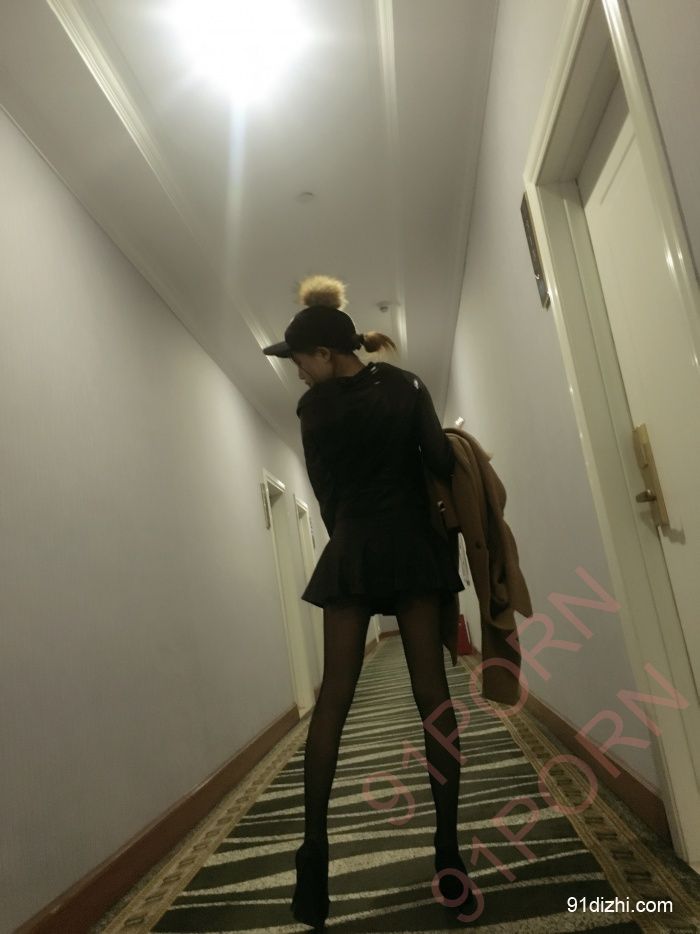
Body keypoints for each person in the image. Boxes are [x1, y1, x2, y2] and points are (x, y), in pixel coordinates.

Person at [262, 275, 477, 929]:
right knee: (432, 697)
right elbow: (439, 458)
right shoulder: (407, 386)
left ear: (325, 354)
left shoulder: (313, 412)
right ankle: (449, 859)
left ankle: (313, 861)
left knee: (333, 698)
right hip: (413, 549)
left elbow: (325, 496)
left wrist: (356, 533)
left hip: (353, 549)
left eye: (300, 361)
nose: (299, 374)